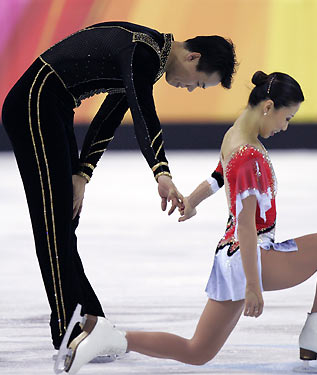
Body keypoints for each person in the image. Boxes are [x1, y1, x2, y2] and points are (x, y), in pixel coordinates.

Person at [58, 70, 317, 374]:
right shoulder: (249, 156)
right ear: (268, 107)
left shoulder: (235, 136)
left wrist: (191, 200)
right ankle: (316, 331)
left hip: (229, 259)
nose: (285, 126)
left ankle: (108, 337)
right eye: (288, 117)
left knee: (197, 351)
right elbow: (246, 225)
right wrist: (253, 286)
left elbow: (219, 175)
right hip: (253, 257)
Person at [1, 21, 237, 350]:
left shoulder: (147, 55)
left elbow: (111, 115)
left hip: (51, 108)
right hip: (33, 105)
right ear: (193, 56)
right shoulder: (143, 51)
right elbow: (144, 113)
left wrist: (82, 173)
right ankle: (69, 330)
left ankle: (91, 321)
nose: (190, 89)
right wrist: (161, 172)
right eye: (198, 82)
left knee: (64, 222)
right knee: (53, 224)